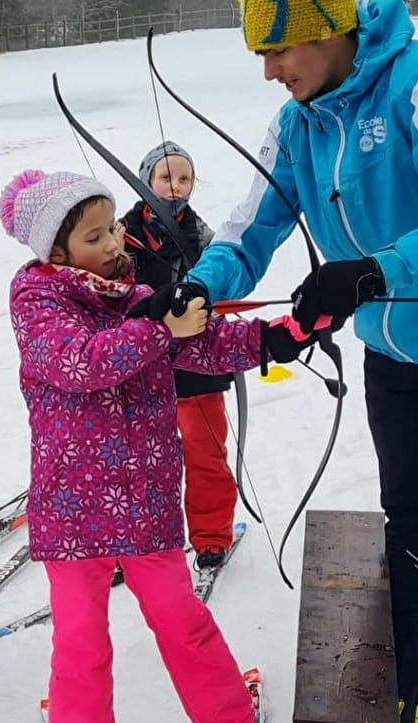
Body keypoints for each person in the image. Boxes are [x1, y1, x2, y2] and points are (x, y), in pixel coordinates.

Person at [179, 0, 418, 723]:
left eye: (281, 52)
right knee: (403, 504)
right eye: (262, 57)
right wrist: (203, 284)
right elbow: (253, 228)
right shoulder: (298, 122)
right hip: (391, 349)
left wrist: (377, 271)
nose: (272, 73)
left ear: (332, 29)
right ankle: (406, 637)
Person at [0, 169, 317, 723]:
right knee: (82, 637)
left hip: (144, 502)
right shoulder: (37, 300)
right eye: (96, 236)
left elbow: (203, 344)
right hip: (73, 507)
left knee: (181, 618)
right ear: (56, 253)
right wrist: (158, 327)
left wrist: (280, 336)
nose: (115, 241)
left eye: (113, 225)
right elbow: (79, 363)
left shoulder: (135, 293)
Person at [120, 141, 237, 571]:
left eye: (184, 177)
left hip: (196, 369)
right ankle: (130, 541)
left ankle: (211, 536)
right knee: (138, 461)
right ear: (146, 178)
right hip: (139, 368)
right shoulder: (119, 235)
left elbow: (223, 289)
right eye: (165, 176)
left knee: (206, 455)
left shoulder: (207, 239)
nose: (175, 186)